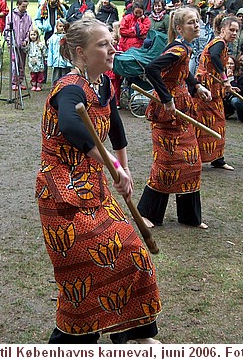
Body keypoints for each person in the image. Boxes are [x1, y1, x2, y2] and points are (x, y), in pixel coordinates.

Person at [35, 18, 161, 344]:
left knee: (132, 252)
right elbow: (71, 125)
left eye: (111, 41)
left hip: (95, 187)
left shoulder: (103, 83)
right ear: (81, 53)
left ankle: (134, 333)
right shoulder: (70, 88)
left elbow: (116, 127)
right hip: (62, 191)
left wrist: (125, 167)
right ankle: (70, 343)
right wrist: (112, 165)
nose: (113, 48)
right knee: (83, 271)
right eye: (103, 43)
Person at [137, 7, 212, 230]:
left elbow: (180, 72)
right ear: (179, 28)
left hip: (182, 112)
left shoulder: (184, 49)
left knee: (191, 162)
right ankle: (145, 213)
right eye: (191, 22)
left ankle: (190, 216)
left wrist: (196, 86)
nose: (196, 25)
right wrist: (166, 97)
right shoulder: (179, 49)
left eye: (197, 21)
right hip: (167, 114)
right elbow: (151, 69)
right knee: (167, 164)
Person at [194, 15, 240, 170]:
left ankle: (216, 158)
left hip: (212, 88)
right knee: (208, 123)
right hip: (206, 89)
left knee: (215, 123)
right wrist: (225, 79)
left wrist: (227, 84)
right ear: (222, 30)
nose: (234, 33)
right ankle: (208, 157)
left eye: (236, 31)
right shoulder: (219, 42)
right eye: (231, 30)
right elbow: (213, 56)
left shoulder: (222, 44)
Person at [5, 0, 33, 91]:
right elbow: (7, 29)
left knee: (22, 64)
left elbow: (30, 29)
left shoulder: (28, 17)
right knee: (14, 64)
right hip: (13, 44)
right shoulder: (11, 16)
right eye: (23, 6)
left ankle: (20, 82)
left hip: (23, 45)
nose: (24, 8)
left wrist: (26, 39)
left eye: (26, 6)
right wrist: (9, 41)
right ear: (18, 5)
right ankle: (13, 82)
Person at [47, 18, 71, 84]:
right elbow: (50, 51)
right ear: (56, 27)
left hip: (65, 62)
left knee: (65, 77)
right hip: (56, 62)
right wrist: (50, 62)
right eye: (60, 26)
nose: (62, 28)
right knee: (56, 77)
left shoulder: (68, 37)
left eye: (63, 26)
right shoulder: (53, 38)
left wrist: (70, 62)